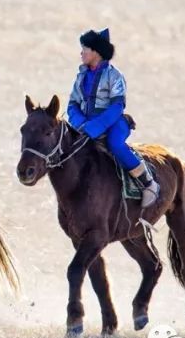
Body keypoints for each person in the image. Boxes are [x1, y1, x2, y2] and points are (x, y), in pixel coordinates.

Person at [67, 28, 160, 208]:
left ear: (96, 52)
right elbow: (73, 104)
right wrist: (81, 123)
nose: (81, 53)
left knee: (115, 144)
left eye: (85, 49)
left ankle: (148, 183)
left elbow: (117, 106)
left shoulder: (114, 76)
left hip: (113, 123)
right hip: (86, 124)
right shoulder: (81, 76)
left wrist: (95, 127)